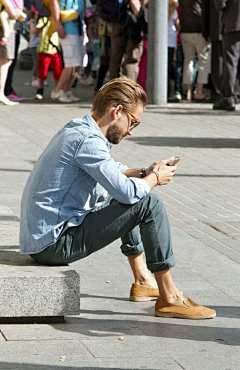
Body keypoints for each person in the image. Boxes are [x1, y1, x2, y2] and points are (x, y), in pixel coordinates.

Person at [20, 76, 216, 320]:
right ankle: (169, 297)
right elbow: (128, 191)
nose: (131, 131)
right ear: (117, 111)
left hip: (42, 238)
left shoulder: (79, 127)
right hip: (53, 244)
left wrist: (146, 171)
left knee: (128, 195)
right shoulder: (88, 142)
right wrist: (154, 177)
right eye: (133, 122)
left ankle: (143, 280)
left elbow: (114, 171)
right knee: (147, 203)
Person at [49, 0, 85, 103]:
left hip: (78, 28)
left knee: (77, 63)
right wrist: (58, 25)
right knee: (70, 63)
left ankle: (66, 90)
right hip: (68, 29)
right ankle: (57, 91)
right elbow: (53, 3)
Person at [178, 0, 211, 102]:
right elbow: (202, 13)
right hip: (198, 31)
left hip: (185, 31)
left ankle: (188, 92)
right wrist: (207, 32)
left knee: (188, 61)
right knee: (203, 62)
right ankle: (199, 91)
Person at [212, 0, 240, 111]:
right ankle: (235, 94)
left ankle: (228, 98)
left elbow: (220, 4)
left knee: (230, 62)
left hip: (233, 24)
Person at [32, 16, 62, 100]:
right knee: (42, 72)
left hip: (55, 49)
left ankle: (57, 90)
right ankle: (40, 90)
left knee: (57, 72)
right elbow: (36, 31)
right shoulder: (43, 19)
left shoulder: (58, 19)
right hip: (44, 50)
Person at [0, 0, 21, 105]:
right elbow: (12, 13)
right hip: (5, 28)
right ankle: (1, 94)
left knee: (6, 61)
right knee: (5, 61)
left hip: (8, 26)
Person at [26, 6, 40, 87]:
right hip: (34, 45)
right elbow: (34, 31)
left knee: (41, 63)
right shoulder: (32, 22)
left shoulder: (40, 21)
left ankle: (40, 79)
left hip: (40, 45)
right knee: (36, 63)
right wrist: (42, 26)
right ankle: (34, 79)